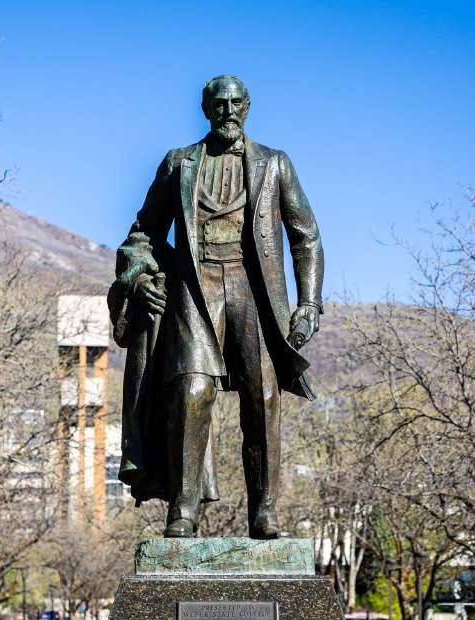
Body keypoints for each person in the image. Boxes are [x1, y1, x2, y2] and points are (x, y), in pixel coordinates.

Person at [111, 74, 324, 539]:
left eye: (235, 102)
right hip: (196, 287)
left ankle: (264, 513)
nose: (228, 110)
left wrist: (309, 303)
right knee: (192, 392)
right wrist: (140, 277)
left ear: (247, 107)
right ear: (206, 109)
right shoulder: (179, 163)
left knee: (263, 398)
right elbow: (144, 232)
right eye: (219, 103)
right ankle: (183, 510)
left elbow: (305, 237)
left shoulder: (275, 164)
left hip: (254, 290)